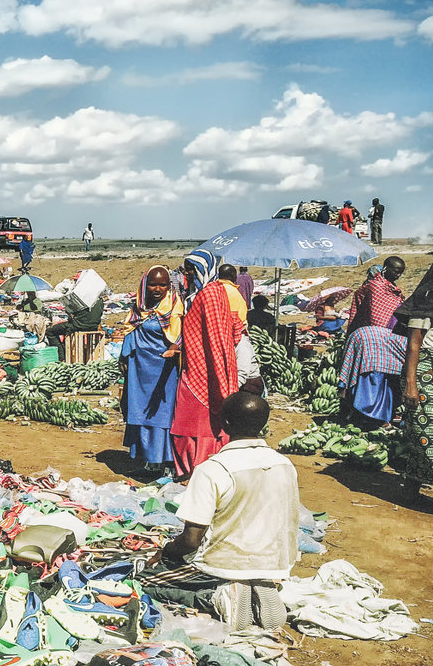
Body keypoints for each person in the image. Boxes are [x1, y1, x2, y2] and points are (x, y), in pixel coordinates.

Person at [137, 392, 299, 631]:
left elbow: (192, 540)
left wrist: (167, 551)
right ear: (264, 424)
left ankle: (216, 598)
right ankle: (257, 587)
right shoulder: (284, 465)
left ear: (225, 423)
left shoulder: (213, 469)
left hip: (222, 564)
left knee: (146, 581)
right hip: (272, 563)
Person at [166, 255, 242, 480]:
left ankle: (197, 468)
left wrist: (219, 372)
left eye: (191, 270)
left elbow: (215, 334)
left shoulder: (209, 294)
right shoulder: (207, 292)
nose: (186, 274)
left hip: (203, 370)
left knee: (192, 424)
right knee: (194, 423)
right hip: (198, 366)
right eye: (185, 269)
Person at [120, 265, 185, 477]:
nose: (158, 289)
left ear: (169, 285)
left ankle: (165, 462)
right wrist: (124, 357)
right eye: (153, 284)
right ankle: (148, 462)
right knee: (139, 412)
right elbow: (130, 331)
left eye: (163, 284)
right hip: (140, 370)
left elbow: (179, 336)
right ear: (145, 285)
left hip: (163, 370)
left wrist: (174, 348)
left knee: (162, 415)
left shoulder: (174, 307)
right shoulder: (138, 308)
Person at [396, 255, 433, 492]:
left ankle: (412, 484)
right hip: (428, 372)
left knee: (426, 436)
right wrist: (410, 384)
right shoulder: (429, 300)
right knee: (431, 432)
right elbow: (413, 345)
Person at [338, 324, 407, 430]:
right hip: (372, 343)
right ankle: (372, 418)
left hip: (367, 336)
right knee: (374, 382)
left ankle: (363, 415)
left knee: (383, 382)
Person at [345, 256, 405, 335]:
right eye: (396, 272)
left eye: (400, 273)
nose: (398, 275)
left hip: (392, 328)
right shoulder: (375, 286)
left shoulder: (394, 289)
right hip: (375, 330)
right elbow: (373, 313)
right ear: (385, 268)